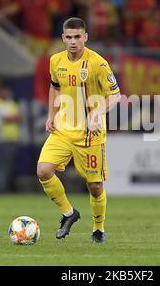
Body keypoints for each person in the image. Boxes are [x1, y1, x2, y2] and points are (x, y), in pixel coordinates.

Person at [37, 17, 121, 243]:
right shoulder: (55, 60)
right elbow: (54, 87)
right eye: (69, 37)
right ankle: (68, 213)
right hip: (64, 129)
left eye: (77, 37)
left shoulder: (98, 63)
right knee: (44, 171)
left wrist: (98, 112)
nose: (73, 42)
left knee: (94, 186)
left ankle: (98, 229)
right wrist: (51, 115)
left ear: (86, 37)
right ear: (63, 38)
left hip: (90, 134)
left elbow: (115, 95)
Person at [0, 84, 22, 192]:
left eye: (8, 91)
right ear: (0, 92)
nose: (6, 93)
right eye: (4, 91)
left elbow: (20, 118)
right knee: (2, 167)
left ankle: (6, 190)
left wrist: (14, 118)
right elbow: (6, 118)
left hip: (13, 139)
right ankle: (0, 190)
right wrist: (14, 117)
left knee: (10, 167)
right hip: (2, 140)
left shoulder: (12, 104)